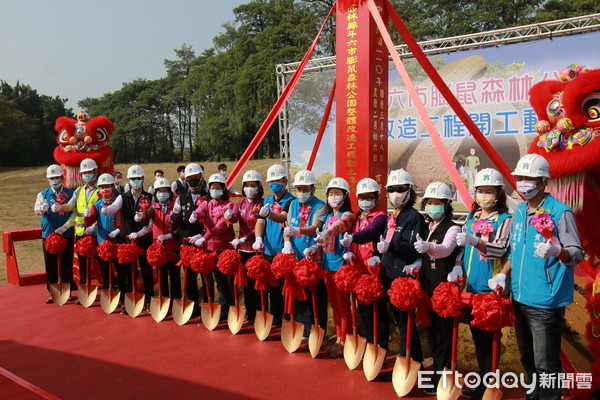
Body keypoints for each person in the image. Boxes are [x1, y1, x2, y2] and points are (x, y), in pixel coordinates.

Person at [509, 154, 584, 400]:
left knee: (546, 362)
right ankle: (535, 394)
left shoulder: (561, 213)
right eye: (520, 178)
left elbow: (577, 253)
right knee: (527, 357)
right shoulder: (520, 210)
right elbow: (515, 250)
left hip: (544, 300)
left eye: (529, 179)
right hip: (519, 296)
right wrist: (502, 276)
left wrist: (558, 251)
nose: (523, 184)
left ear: (543, 182)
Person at [453, 168, 513, 400]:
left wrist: (475, 241)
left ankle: (490, 384)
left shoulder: (505, 219)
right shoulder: (472, 218)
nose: (483, 196)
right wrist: (458, 264)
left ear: (498, 194)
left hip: (491, 288)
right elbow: (462, 247)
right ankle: (482, 381)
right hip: (471, 286)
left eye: (488, 191)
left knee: (490, 339)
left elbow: (500, 249)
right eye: (480, 191)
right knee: (478, 338)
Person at [412, 181, 460, 394]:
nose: (433, 206)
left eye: (437, 202)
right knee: (431, 330)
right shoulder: (426, 226)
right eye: (429, 202)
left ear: (447, 204)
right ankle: (436, 367)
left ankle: (442, 372)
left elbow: (446, 249)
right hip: (428, 286)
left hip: (444, 288)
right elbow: (421, 255)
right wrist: (415, 262)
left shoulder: (453, 228)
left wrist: (429, 247)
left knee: (443, 333)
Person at [375, 169, 425, 359]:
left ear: (409, 191)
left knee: (406, 324)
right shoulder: (393, 215)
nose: (396, 193)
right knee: (396, 320)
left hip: (402, 279)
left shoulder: (414, 217)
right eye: (392, 189)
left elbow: (412, 249)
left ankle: (413, 361)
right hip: (387, 274)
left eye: (401, 189)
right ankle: (402, 358)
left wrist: (391, 246)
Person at [305, 177, 355, 358]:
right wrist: (312, 248)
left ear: (345, 195)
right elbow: (321, 240)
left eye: (337, 193)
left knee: (343, 305)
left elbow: (338, 227)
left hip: (341, 267)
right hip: (326, 264)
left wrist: (325, 233)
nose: (334, 197)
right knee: (333, 304)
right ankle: (339, 335)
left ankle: (344, 339)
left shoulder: (348, 215)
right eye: (331, 193)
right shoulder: (326, 216)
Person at [282, 169, 327, 339]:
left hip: (312, 259)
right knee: (298, 296)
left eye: (305, 189)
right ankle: (303, 330)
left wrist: (297, 229)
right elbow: (287, 226)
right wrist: (287, 241)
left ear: (313, 189)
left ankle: (317, 330)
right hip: (295, 258)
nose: (301, 192)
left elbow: (316, 227)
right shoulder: (293, 204)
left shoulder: (320, 205)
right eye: (298, 189)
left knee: (314, 298)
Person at [102, 165, 153, 312]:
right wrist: (107, 210)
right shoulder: (123, 197)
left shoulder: (149, 197)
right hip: (126, 240)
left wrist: (143, 221)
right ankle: (127, 300)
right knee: (126, 273)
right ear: (128, 180)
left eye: (138, 178)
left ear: (142, 179)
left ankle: (148, 300)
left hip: (143, 240)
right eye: (132, 179)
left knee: (146, 271)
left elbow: (151, 215)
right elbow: (115, 207)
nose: (135, 181)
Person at [253, 164, 295, 327]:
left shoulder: (291, 201)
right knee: (273, 289)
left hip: (284, 251)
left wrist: (269, 214)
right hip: (269, 250)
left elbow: (283, 217)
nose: (274, 184)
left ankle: (288, 317)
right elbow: (260, 221)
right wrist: (258, 238)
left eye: (277, 181)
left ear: (285, 181)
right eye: (271, 181)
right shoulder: (267, 200)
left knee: (286, 288)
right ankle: (275, 318)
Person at [191, 172, 237, 321]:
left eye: (218, 187)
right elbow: (199, 211)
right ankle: (224, 309)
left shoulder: (229, 205)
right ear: (209, 188)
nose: (215, 190)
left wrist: (205, 237)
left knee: (230, 281)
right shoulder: (206, 204)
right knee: (219, 281)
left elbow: (221, 226)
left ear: (223, 189)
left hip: (226, 249)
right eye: (212, 187)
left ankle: (232, 307)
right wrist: (194, 215)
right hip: (212, 249)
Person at [56, 158, 100, 304]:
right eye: (84, 173)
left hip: (97, 232)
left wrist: (93, 226)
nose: (87, 175)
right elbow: (71, 206)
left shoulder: (101, 190)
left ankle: (108, 287)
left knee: (102, 262)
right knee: (82, 265)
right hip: (81, 233)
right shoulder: (79, 190)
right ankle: (84, 290)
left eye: (89, 172)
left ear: (95, 171)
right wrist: (61, 207)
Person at [84, 173, 128, 313]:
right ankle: (108, 294)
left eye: (107, 186)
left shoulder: (119, 202)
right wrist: (88, 220)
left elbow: (123, 221)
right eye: (102, 187)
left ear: (113, 187)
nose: (105, 189)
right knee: (105, 272)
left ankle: (123, 299)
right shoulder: (97, 205)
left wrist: (118, 230)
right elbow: (93, 221)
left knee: (121, 271)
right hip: (102, 243)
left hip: (117, 241)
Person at [34, 164, 75, 304]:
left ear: (62, 177)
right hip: (49, 233)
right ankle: (52, 292)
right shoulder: (43, 194)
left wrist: (65, 227)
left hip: (66, 232)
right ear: (48, 179)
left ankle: (67, 291)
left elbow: (74, 212)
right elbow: (36, 210)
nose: (54, 180)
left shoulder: (70, 193)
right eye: (52, 178)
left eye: (57, 177)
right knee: (50, 263)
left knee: (66, 262)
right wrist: (42, 209)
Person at [170, 163, 207, 317]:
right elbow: (174, 221)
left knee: (206, 276)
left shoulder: (208, 195)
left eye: (195, 178)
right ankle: (193, 307)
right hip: (186, 242)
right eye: (189, 179)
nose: (192, 181)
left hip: (204, 241)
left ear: (201, 177)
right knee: (189, 276)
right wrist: (175, 213)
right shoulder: (181, 198)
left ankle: (207, 305)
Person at [231, 170, 264, 324]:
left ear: (258, 187)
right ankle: (250, 315)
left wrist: (246, 237)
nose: (249, 188)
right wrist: (228, 217)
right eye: (247, 185)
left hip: (258, 249)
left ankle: (262, 313)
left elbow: (259, 225)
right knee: (247, 285)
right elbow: (235, 217)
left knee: (260, 284)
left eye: (253, 185)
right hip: (243, 249)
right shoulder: (240, 204)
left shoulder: (263, 203)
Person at [143, 177, 181, 304]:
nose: (162, 194)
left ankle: (176, 301)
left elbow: (180, 227)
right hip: (159, 249)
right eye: (159, 191)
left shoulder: (175, 207)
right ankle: (164, 301)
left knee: (175, 276)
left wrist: (170, 235)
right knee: (162, 277)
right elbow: (146, 216)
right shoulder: (153, 208)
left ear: (169, 192)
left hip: (173, 248)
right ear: (155, 193)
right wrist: (140, 216)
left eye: (164, 191)